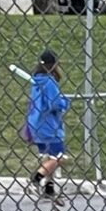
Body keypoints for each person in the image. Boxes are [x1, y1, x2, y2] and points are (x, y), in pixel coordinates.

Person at [25, 51, 69, 200]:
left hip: (37, 123)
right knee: (59, 157)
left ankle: (49, 189)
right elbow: (54, 103)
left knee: (49, 157)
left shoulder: (38, 80)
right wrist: (65, 102)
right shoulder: (49, 81)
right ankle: (36, 179)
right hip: (49, 125)